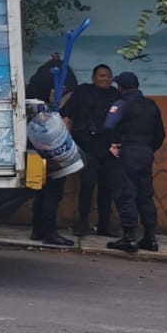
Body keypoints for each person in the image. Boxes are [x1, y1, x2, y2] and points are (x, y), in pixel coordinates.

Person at [102, 71, 167, 254]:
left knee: (126, 193)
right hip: (145, 153)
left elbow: (108, 126)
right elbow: (160, 134)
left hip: (128, 152)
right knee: (145, 195)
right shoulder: (151, 105)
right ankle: (150, 238)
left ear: (121, 88)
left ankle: (129, 238)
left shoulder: (122, 104)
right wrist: (148, 149)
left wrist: (113, 144)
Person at [61, 64, 122, 237]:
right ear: (93, 78)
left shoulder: (115, 95)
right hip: (88, 147)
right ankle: (82, 222)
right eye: (102, 76)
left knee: (107, 188)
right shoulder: (82, 92)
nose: (105, 79)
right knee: (87, 185)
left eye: (109, 76)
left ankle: (104, 224)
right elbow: (66, 114)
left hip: (109, 149)